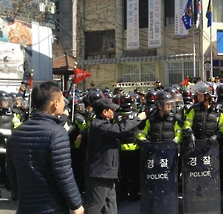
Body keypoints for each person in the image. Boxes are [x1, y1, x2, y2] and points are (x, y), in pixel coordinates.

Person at [6, 81, 84, 213]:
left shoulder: (17, 133)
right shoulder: (57, 133)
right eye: (62, 100)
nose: (65, 104)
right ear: (55, 104)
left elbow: (10, 169)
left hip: (25, 206)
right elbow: (63, 173)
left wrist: (18, 196)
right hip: (52, 207)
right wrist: (76, 204)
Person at [85, 98, 146, 214]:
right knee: (95, 206)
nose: (114, 112)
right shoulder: (99, 126)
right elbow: (119, 129)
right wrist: (138, 118)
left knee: (110, 206)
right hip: (100, 174)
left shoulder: (104, 124)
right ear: (104, 112)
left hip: (108, 174)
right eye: (112, 110)